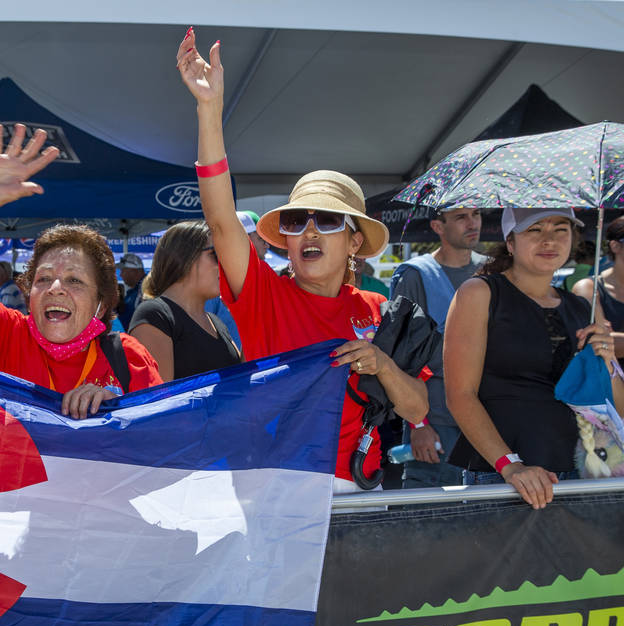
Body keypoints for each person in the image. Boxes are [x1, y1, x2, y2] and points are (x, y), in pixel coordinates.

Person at [177, 30, 427, 488]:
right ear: (285, 241)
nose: (309, 231)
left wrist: (384, 365)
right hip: (277, 496)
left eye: (328, 221)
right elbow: (220, 222)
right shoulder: (263, 296)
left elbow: (417, 408)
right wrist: (209, 112)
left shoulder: (378, 311)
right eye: (296, 222)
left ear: (354, 243)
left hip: (357, 493)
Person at [0, 124, 162, 418]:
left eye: (75, 280)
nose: (56, 288)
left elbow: (164, 438)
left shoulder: (128, 357)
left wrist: (118, 406)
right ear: (29, 295)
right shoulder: (5, 335)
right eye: (44, 279)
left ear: (101, 304)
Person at [444, 207, 624, 509]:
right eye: (535, 230)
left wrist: (608, 361)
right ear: (511, 242)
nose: (549, 240)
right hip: (504, 477)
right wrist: (510, 465)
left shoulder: (583, 307)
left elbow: (615, 409)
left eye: (560, 230)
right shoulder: (480, 292)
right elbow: (460, 395)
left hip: (581, 471)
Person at [389, 208, 487, 488]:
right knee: (432, 521)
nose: (472, 223)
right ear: (437, 226)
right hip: (436, 423)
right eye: (461, 217)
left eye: (477, 214)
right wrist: (418, 425)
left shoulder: (494, 270)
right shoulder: (415, 275)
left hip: (487, 420)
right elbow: (399, 358)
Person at [128, 221, 241, 381]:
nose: (223, 264)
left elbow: (240, 380)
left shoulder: (216, 322)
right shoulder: (155, 316)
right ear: (185, 257)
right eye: (216, 254)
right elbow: (158, 400)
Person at [572, 214, 624, 416]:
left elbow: (610, 346)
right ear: (615, 246)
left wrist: (617, 345)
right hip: (607, 407)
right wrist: (611, 345)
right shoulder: (589, 288)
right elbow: (597, 347)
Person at [116, 254, 146, 330]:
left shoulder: (144, 289)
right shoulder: (135, 291)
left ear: (136, 271)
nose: (121, 275)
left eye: (124, 270)